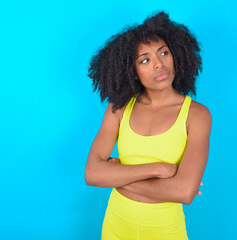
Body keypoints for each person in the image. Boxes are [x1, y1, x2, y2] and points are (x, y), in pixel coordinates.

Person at [85, 11, 212, 240]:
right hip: (116, 225)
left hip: (166, 231)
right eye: (145, 59)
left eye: (164, 53)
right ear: (132, 72)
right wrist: (158, 170)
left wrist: (119, 177)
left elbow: (184, 192)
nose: (159, 64)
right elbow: (92, 174)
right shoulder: (119, 108)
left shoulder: (197, 115)